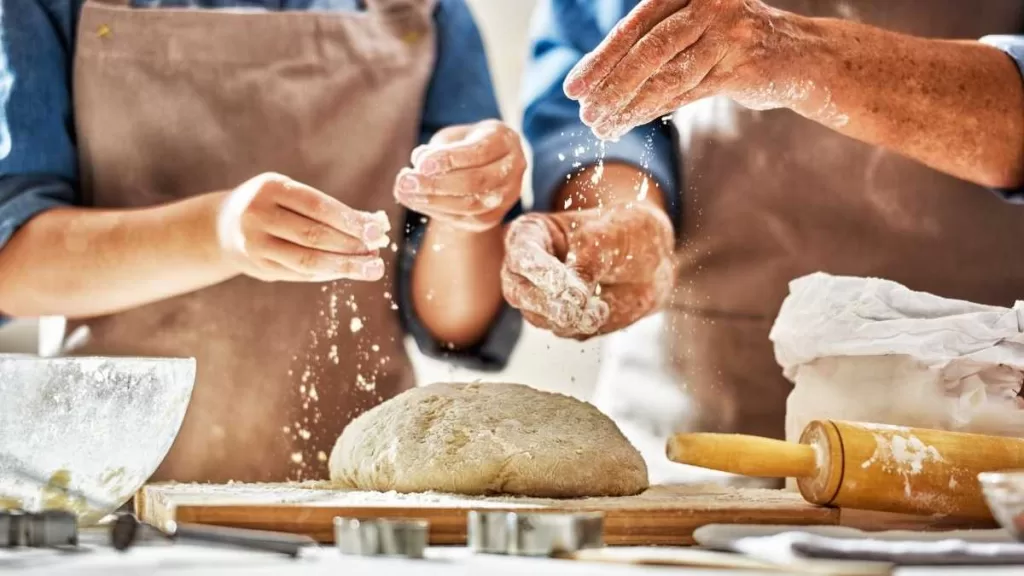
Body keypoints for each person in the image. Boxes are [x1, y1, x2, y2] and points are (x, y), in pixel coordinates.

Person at [0, 0, 524, 483]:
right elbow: (15, 265)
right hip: (117, 492)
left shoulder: (429, 11)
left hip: (355, 503)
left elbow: (458, 323)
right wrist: (215, 233)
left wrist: (466, 211)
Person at [506, 0, 1024, 451]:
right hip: (694, 426)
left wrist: (794, 53)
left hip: (985, 415)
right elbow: (594, 89)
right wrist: (628, 216)